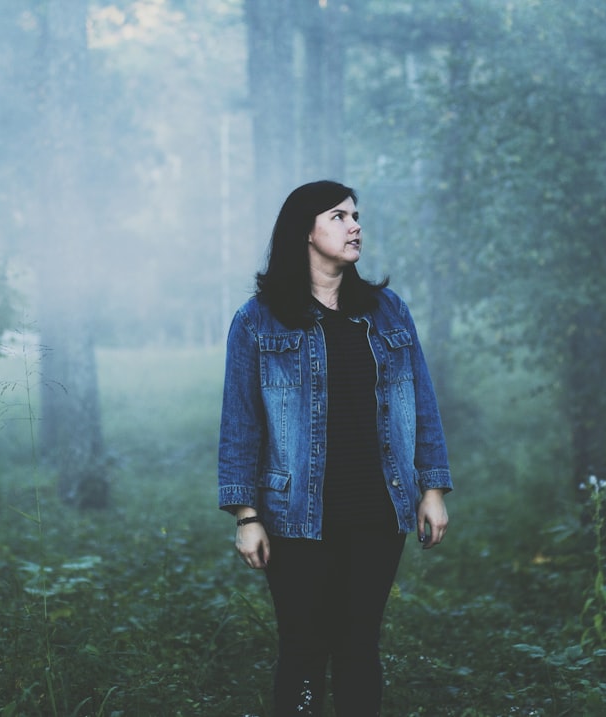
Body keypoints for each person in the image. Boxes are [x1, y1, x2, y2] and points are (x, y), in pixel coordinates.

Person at [217, 180, 453, 716]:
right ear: (305, 231)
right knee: (302, 648)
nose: (355, 226)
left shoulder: (388, 311)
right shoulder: (256, 320)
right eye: (339, 217)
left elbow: (423, 403)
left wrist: (432, 487)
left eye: (356, 216)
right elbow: (240, 422)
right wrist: (246, 515)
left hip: (377, 508)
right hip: (294, 515)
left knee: (358, 646)